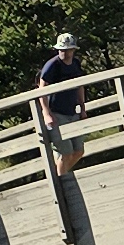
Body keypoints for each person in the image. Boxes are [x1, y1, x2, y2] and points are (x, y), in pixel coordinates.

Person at [35, 29, 88, 167]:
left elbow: (80, 86)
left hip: (71, 112)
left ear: (73, 50)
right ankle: (62, 181)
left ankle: (62, 175)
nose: (65, 52)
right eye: (62, 49)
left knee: (79, 151)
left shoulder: (75, 64)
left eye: (68, 49)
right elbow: (42, 90)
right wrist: (46, 114)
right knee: (65, 153)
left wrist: (82, 108)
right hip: (56, 114)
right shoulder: (52, 65)